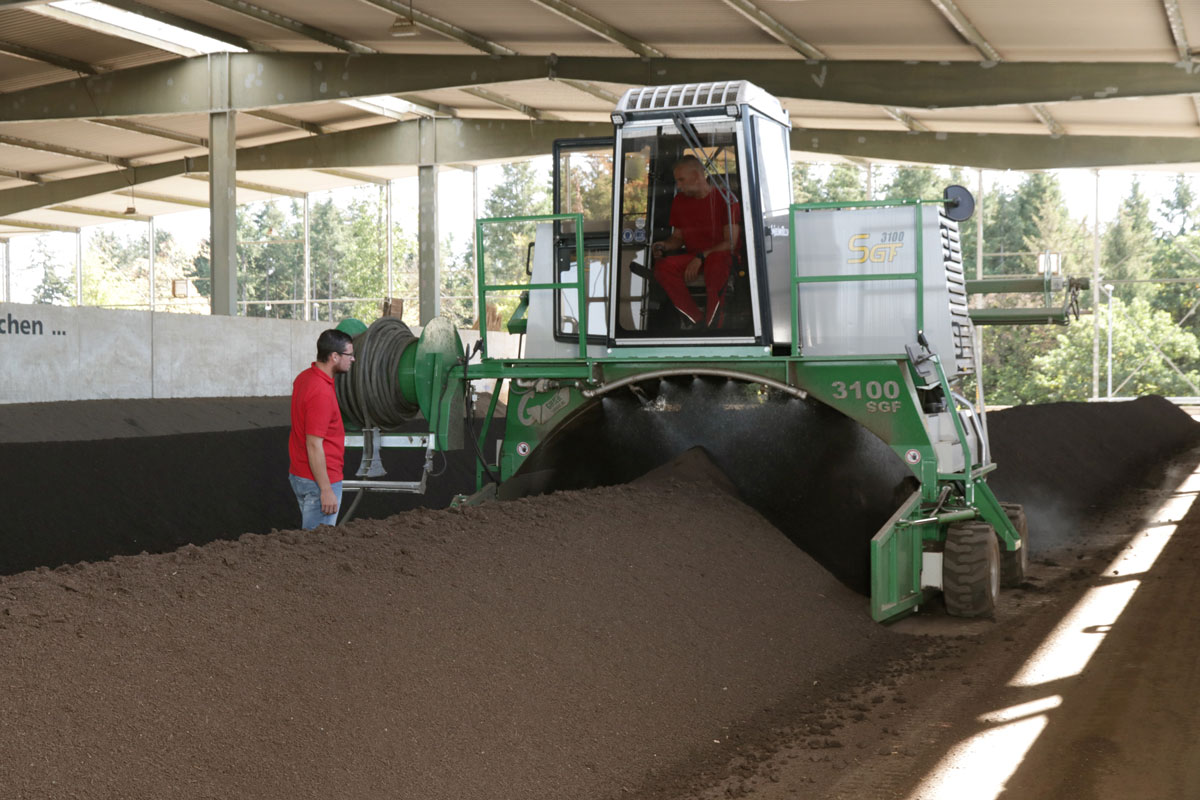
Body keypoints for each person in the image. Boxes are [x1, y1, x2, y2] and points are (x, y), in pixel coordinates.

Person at [651, 155, 741, 328]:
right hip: (694, 257)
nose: (678, 185)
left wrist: (702, 256)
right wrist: (664, 245)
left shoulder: (726, 199)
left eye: (681, 180)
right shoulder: (679, 201)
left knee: (716, 263)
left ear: (696, 176)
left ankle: (714, 325)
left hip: (720, 257)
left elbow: (730, 243)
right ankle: (696, 320)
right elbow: (677, 238)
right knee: (663, 267)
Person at [288, 329, 355, 529]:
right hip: (319, 481)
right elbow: (314, 444)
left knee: (312, 545)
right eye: (349, 355)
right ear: (334, 356)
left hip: (300, 475)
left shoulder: (304, 378)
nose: (353, 359)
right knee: (316, 550)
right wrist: (326, 489)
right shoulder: (321, 393)